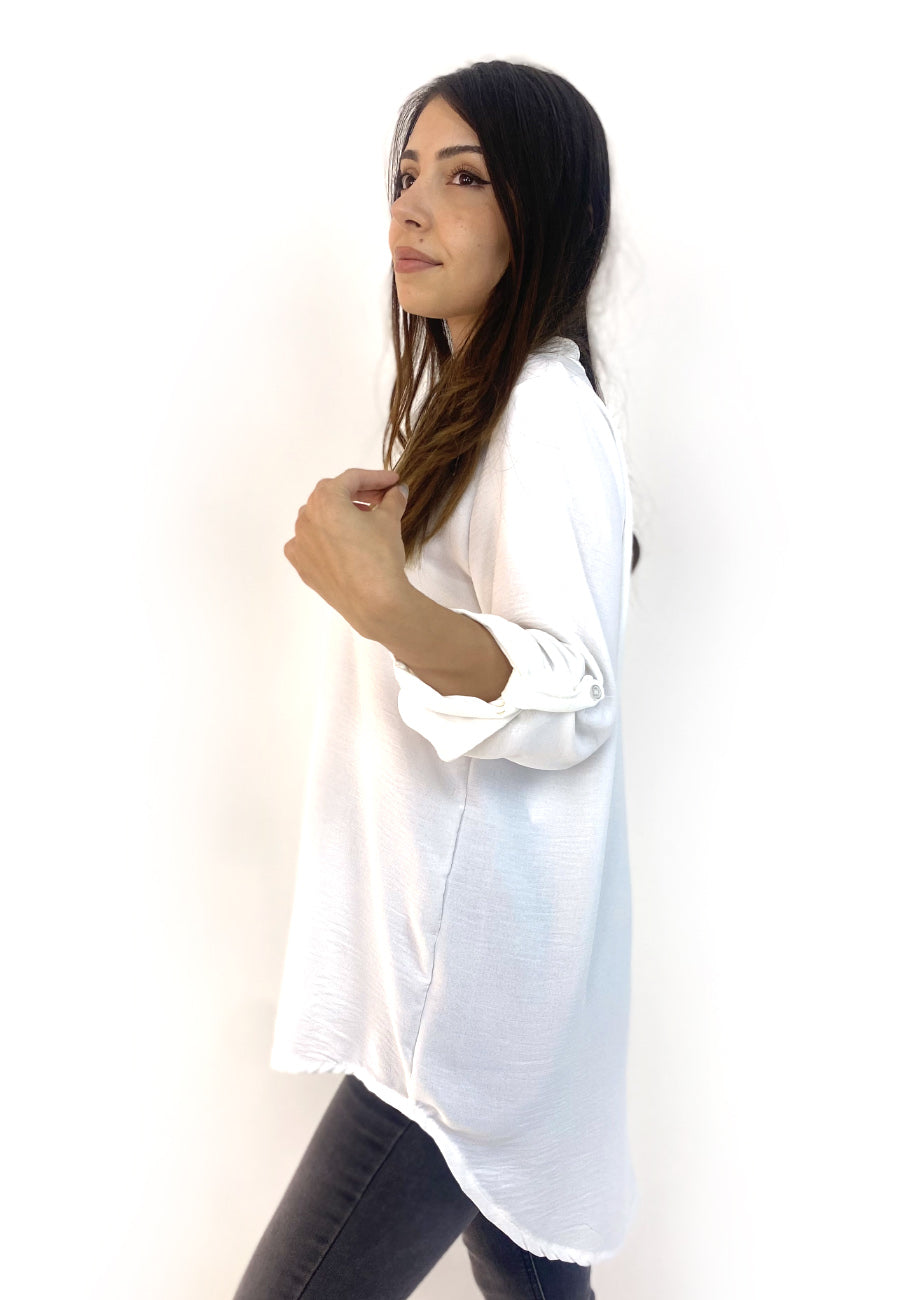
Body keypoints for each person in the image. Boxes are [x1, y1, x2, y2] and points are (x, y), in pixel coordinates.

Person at [232, 58, 641, 1300]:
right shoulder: (482, 409)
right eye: (406, 174)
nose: (410, 208)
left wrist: (385, 603)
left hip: (458, 1014)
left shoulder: (537, 411)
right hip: (482, 989)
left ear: (545, 216)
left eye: (463, 179)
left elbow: (572, 692)